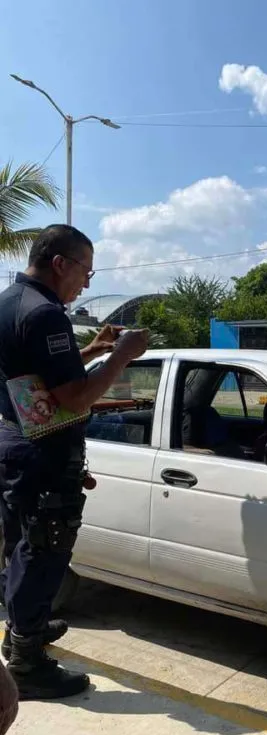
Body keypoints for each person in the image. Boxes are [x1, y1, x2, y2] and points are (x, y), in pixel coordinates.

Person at [0, 224, 149, 700]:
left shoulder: (9, 302)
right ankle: (27, 661)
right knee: (44, 551)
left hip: (14, 443)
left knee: (23, 545)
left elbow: (33, 372)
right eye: (85, 270)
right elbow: (74, 396)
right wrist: (124, 355)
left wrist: (92, 350)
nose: (87, 282)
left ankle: (25, 629)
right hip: (42, 453)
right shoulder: (46, 315)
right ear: (60, 263)